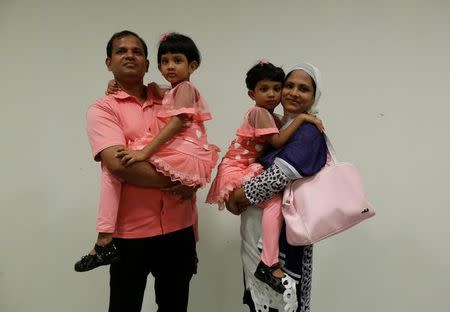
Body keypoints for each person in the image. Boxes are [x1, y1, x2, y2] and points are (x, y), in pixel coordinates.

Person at [75, 32, 218, 274]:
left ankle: (102, 239)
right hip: (132, 232)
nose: (130, 55)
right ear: (109, 63)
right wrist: (183, 179)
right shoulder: (103, 109)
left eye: (137, 51)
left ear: (148, 64)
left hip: (179, 226)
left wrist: (190, 181)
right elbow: (118, 165)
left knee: (175, 304)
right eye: (121, 51)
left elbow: (188, 144)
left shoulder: (167, 97)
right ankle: (105, 238)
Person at [206, 61, 323, 293]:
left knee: (277, 302)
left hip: (283, 243)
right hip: (257, 229)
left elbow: (276, 178)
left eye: (303, 88)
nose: (292, 92)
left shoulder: (306, 130)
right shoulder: (277, 122)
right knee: (258, 299)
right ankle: (267, 264)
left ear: (315, 96)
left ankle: (269, 264)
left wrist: (238, 197)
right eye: (289, 86)